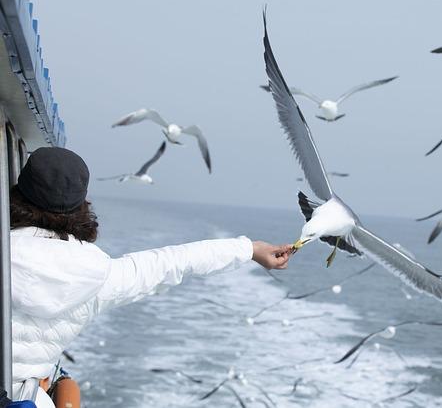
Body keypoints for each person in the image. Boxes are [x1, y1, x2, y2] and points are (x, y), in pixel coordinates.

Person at [9, 147, 292, 407]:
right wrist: (249, 249)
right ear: (80, 206)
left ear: (17, 194)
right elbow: (174, 262)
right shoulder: (101, 277)